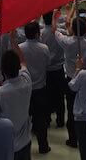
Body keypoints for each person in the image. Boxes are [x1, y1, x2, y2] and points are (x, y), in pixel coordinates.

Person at [54, 13, 86, 148]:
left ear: (73, 29)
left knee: (71, 109)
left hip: (70, 78)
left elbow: (55, 32)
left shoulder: (67, 41)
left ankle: (72, 139)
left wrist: (56, 18)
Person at [19, 21, 51, 153]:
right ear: (38, 33)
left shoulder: (19, 48)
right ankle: (43, 146)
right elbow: (48, 65)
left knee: (24, 118)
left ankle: (24, 146)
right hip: (40, 88)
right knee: (41, 119)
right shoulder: (44, 48)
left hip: (25, 88)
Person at [41, 11, 66, 129]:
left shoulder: (40, 34)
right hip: (59, 68)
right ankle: (60, 120)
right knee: (60, 96)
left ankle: (46, 119)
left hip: (46, 70)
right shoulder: (59, 33)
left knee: (46, 95)